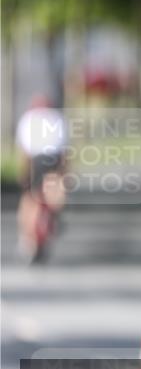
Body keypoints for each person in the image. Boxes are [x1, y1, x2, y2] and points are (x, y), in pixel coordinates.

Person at [15, 95, 68, 263]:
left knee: (30, 199)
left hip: (37, 160)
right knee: (54, 194)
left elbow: (24, 151)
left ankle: (28, 237)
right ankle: (52, 217)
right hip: (52, 159)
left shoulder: (28, 119)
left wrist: (24, 174)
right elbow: (66, 152)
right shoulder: (57, 119)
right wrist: (66, 173)